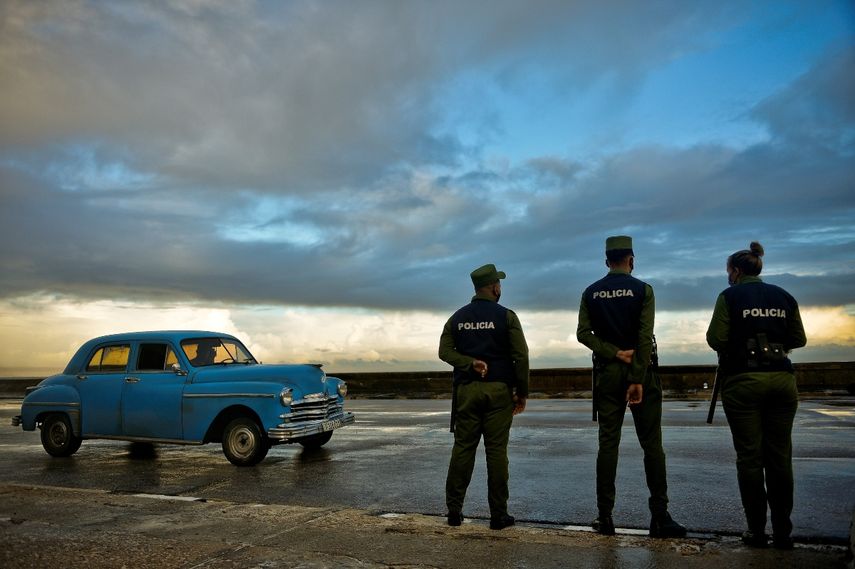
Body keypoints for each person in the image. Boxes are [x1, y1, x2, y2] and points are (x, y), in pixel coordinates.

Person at [576, 236, 686, 538]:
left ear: (606, 261)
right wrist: (637, 378)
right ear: (632, 259)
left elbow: (583, 333)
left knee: (607, 445)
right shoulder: (643, 290)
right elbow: (643, 336)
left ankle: (605, 517)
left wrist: (612, 352)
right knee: (652, 445)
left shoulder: (591, 292)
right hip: (643, 374)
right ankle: (660, 517)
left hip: (608, 375)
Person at [706, 242, 806, 549]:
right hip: (781, 380)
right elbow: (798, 338)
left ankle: (756, 530)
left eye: (728, 272)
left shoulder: (730, 296)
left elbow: (715, 338)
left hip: (743, 382)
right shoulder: (783, 296)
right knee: (780, 458)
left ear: (735, 271)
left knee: (750, 458)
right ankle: (783, 532)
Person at [439, 263, 529, 530]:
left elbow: (444, 352)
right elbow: (521, 357)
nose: (500, 287)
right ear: (494, 287)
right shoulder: (506, 316)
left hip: (467, 392)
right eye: (498, 283)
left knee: (463, 449)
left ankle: (454, 511)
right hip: (498, 393)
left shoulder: (457, 318)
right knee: (496, 452)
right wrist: (521, 393)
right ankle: (498, 515)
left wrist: (468, 363)